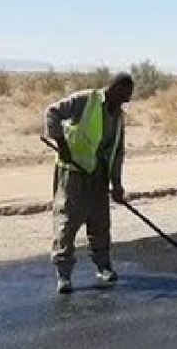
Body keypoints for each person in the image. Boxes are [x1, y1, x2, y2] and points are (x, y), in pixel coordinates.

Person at [44, 73, 134, 294]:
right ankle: (63, 274)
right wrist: (61, 143)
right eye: (124, 96)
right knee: (67, 223)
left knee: (100, 224)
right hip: (73, 174)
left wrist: (117, 184)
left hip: (98, 176)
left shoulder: (119, 116)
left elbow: (116, 152)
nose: (126, 101)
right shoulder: (87, 100)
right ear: (114, 89)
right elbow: (52, 113)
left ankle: (103, 266)